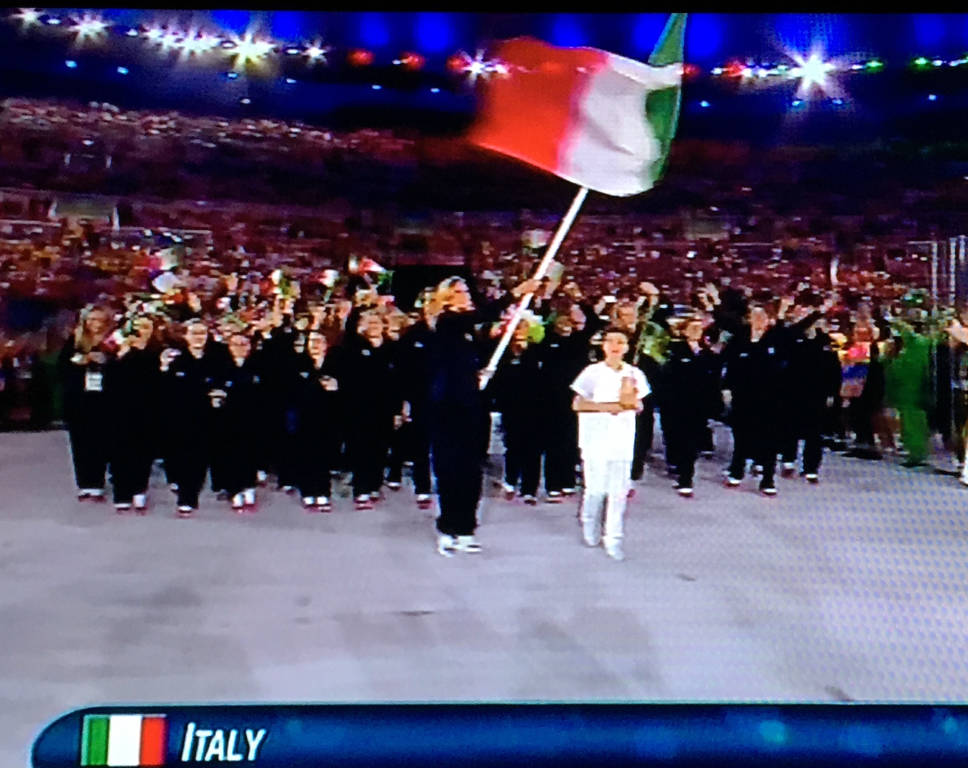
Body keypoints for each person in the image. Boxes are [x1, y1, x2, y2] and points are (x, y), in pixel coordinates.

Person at [426, 274, 538, 556]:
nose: (466, 294)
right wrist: (515, 293)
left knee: (471, 469)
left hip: (472, 405)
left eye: (466, 290)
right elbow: (480, 316)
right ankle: (448, 527)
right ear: (447, 297)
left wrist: (479, 370)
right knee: (450, 469)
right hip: (448, 408)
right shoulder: (447, 321)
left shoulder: (467, 330)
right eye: (459, 291)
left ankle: (466, 527)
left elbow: (467, 357)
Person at [570, 326, 649, 562]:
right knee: (595, 490)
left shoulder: (635, 373)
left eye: (621, 341)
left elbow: (640, 404)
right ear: (603, 345)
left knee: (618, 493)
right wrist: (608, 407)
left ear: (627, 347)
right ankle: (588, 523)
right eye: (611, 341)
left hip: (622, 440)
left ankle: (613, 538)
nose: (615, 346)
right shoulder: (591, 372)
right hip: (595, 439)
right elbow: (578, 404)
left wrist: (632, 402)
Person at [58, 304, 115, 502]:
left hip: (104, 398)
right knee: (80, 442)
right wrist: (81, 360)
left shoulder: (112, 341)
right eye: (91, 320)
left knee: (101, 441)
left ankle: (98, 483)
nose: (95, 324)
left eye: (100, 320)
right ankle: (85, 484)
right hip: (79, 399)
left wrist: (106, 360)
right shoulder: (75, 340)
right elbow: (63, 367)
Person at [105, 315, 159, 512]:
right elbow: (110, 379)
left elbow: (155, 379)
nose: (141, 331)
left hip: (147, 409)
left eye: (145, 327)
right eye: (136, 327)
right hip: (120, 409)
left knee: (143, 452)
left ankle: (139, 490)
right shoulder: (118, 352)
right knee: (120, 450)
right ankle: (122, 493)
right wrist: (123, 354)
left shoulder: (156, 352)